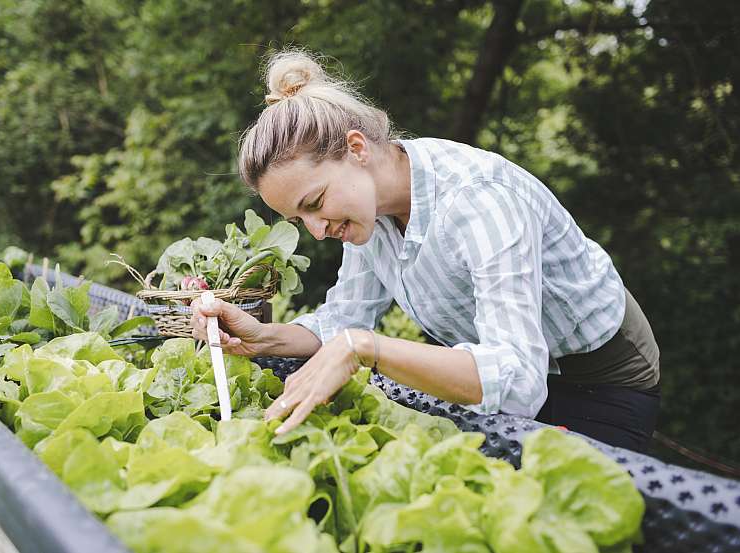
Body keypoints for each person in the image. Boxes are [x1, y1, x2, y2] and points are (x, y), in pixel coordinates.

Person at [191, 50, 661, 452]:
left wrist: (365, 348)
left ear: (357, 148)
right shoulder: (366, 215)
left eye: (315, 204)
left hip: (598, 369)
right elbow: (343, 324)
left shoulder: (479, 200)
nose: (316, 231)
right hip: (502, 363)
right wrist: (262, 337)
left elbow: (517, 382)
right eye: (300, 220)